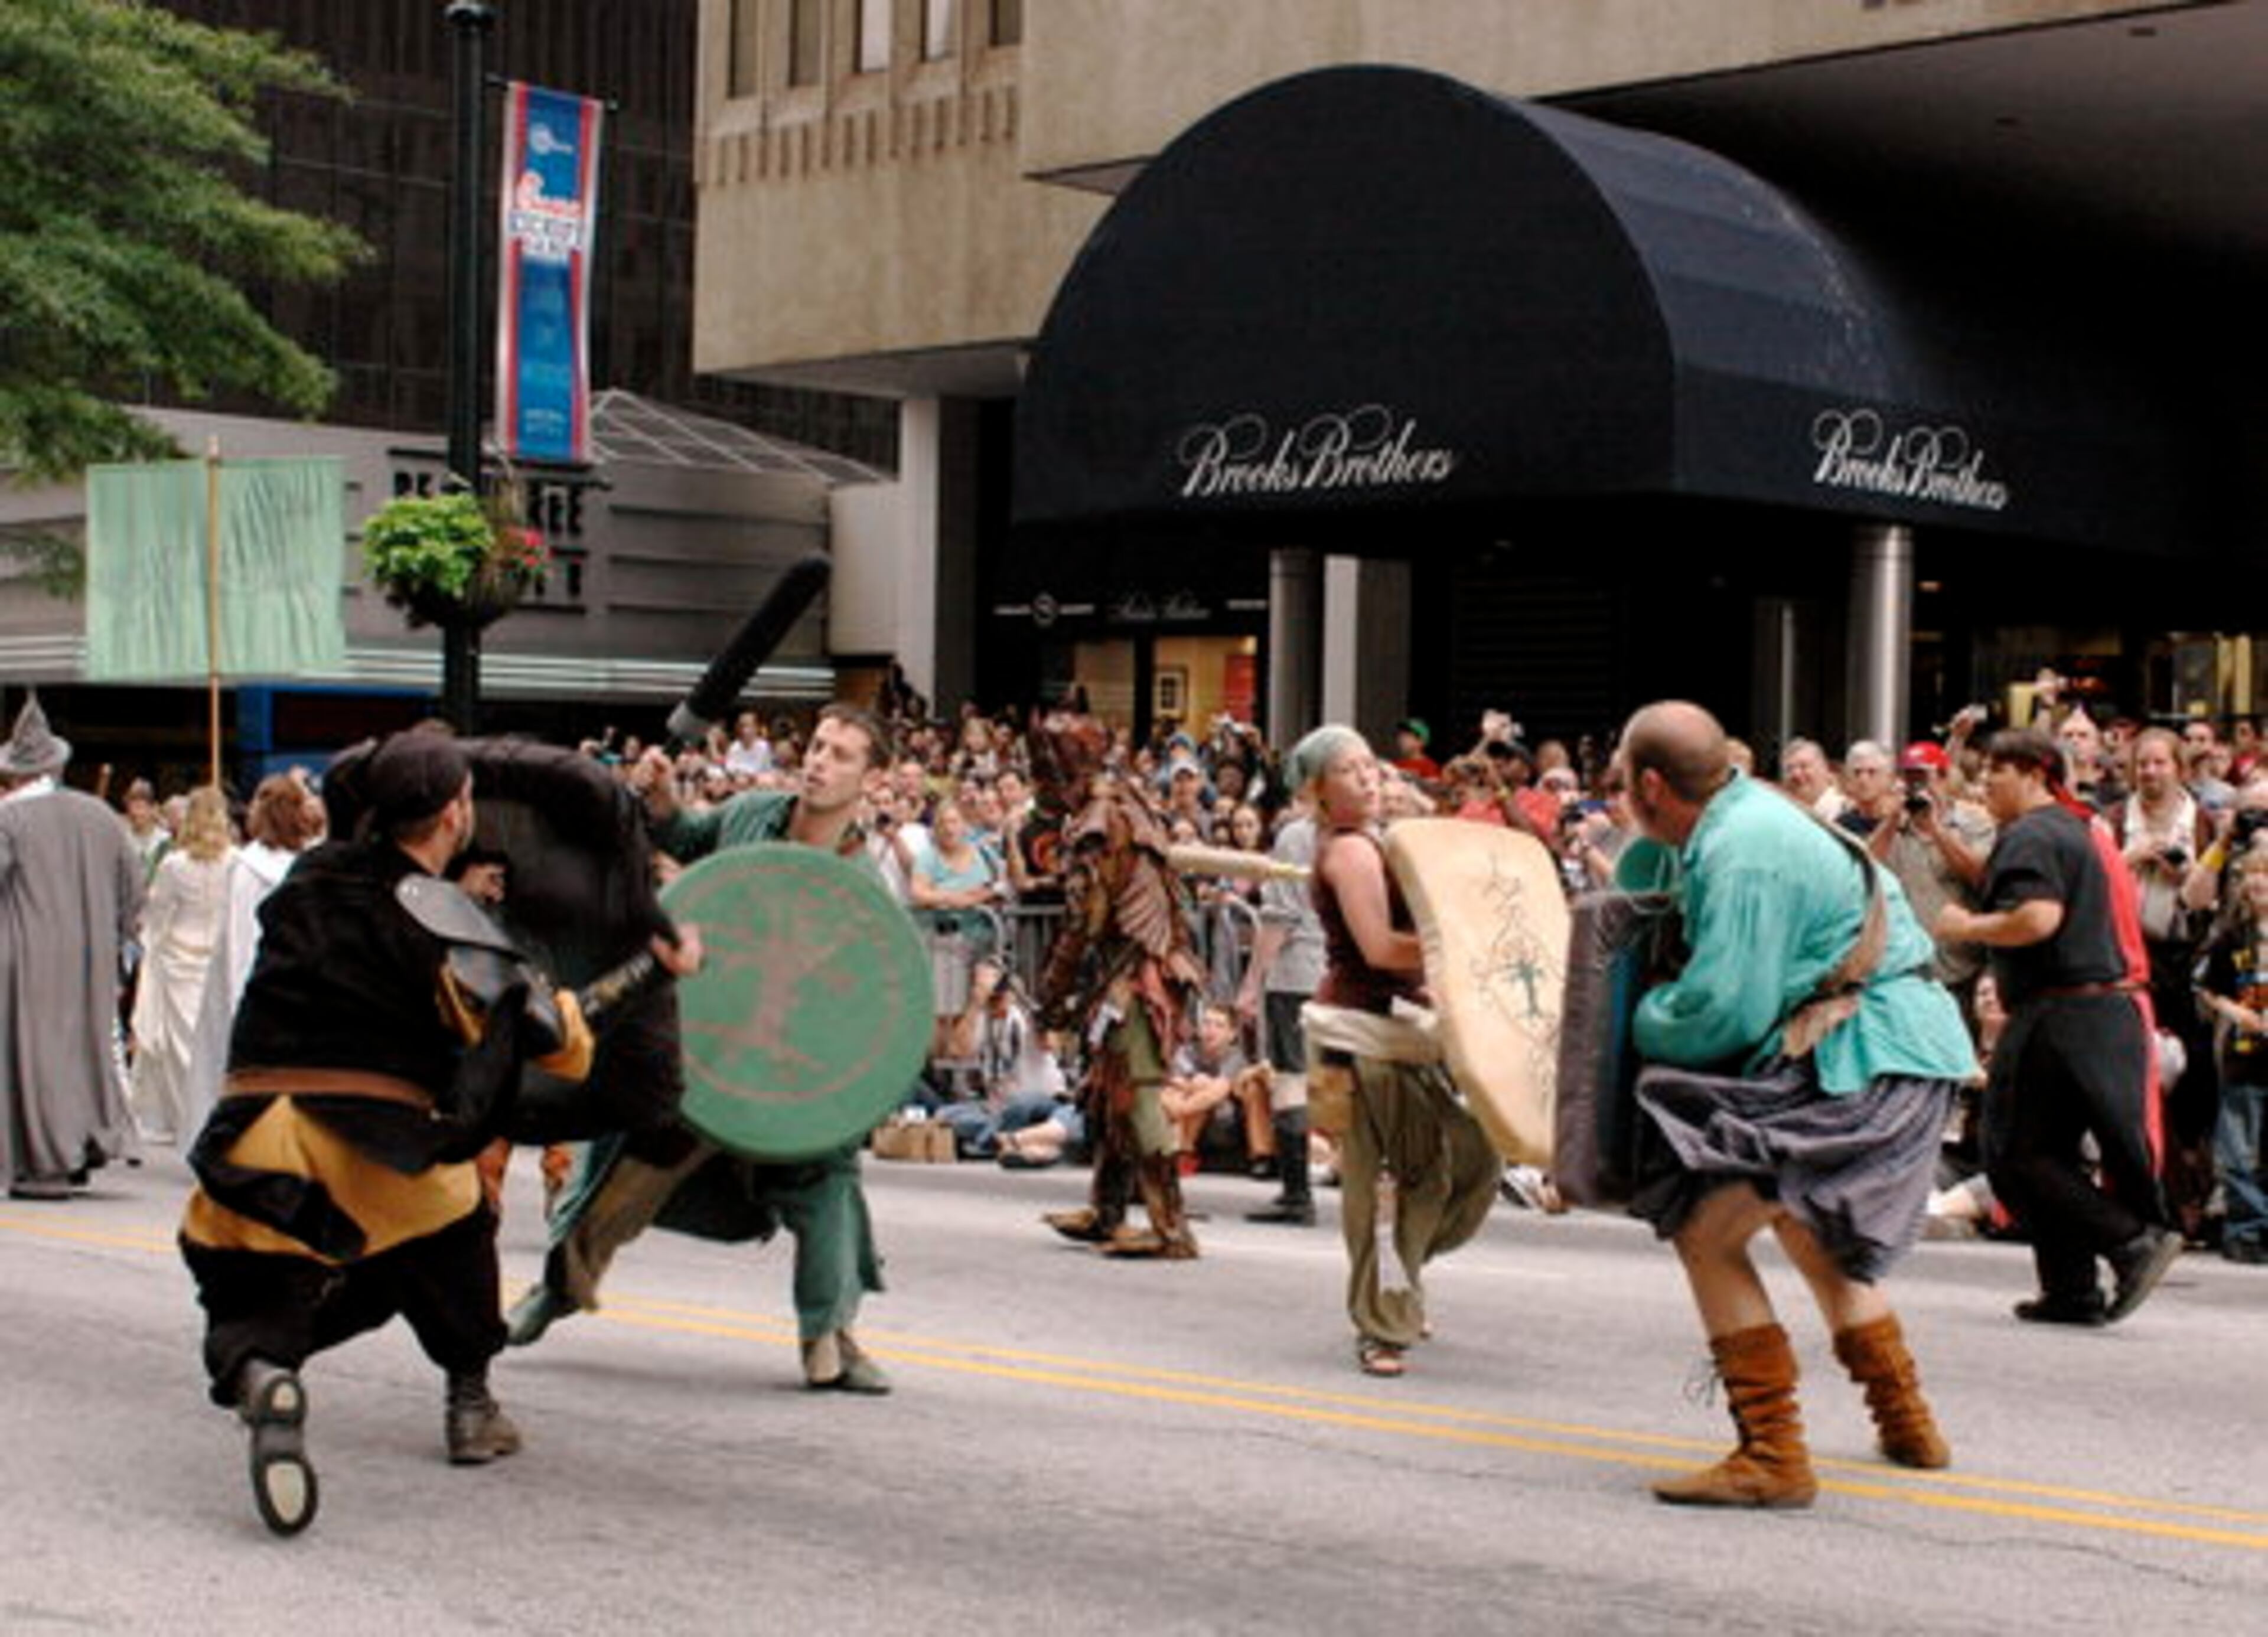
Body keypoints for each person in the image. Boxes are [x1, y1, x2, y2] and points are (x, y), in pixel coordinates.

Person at [177, 729, 699, 1535]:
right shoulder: (449, 924)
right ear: (458, 814)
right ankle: (471, 1404)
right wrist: (655, 969)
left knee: (245, 1284)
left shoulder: (310, 879)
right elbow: (554, 1039)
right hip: (382, 1145)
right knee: (448, 1244)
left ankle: (262, 1370)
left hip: (258, 1132)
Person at [1615, 701, 1974, 1509]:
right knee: (1809, 1227)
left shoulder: (1744, 851)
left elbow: (1721, 1013)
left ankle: (1772, 1455)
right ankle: (1908, 1423)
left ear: (1649, 784)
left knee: (1706, 1230)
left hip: (1865, 1053)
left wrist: (1637, 1020)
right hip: (1891, 1046)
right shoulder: (1755, 812)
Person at [507, 704, 904, 1395]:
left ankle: (830, 1335)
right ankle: (559, 1290)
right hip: (701, 1048)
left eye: (842, 755)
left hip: (785, 1069)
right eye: (817, 745)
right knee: (621, 1180)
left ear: (871, 778)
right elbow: (685, 835)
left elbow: (866, 1007)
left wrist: (843, 1095)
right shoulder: (752, 815)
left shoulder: (863, 890)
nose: (819, 762)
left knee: (828, 1182)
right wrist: (661, 800)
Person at [1935, 726, 2182, 1328]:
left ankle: (2129, 1242)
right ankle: (2072, 1291)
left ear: (2034, 775)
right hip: (2098, 1011)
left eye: (1998, 769)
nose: (1986, 780)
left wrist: (1965, 927)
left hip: (2060, 1010)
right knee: (2048, 1154)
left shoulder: (2032, 833)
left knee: (2017, 1153)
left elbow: (2038, 918)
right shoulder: (2074, 829)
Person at [1293, 725, 1498, 1378]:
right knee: (1385, 1182)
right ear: (1318, 792)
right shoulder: (1350, 851)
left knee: (1467, 1160)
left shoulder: (1373, 843)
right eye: (1350, 772)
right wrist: (1464, 944)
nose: (1370, 779)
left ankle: (1398, 1283)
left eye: (1372, 768)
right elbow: (1381, 951)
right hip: (1358, 1040)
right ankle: (1382, 1323)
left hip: (1378, 1033)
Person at [1, 694, 144, 1199]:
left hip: (27, 954)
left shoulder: (8, 820)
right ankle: (85, 1143)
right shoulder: (101, 816)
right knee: (86, 1052)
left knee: (37, 1056)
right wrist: (121, 939)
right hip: (92, 957)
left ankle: (47, 1158)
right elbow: (133, 892)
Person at [1236, 790, 1324, 1226]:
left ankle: (1296, 1192)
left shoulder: (1298, 836)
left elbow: (1280, 919)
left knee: (1292, 1080)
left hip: (1299, 974)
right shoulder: (1367, 837)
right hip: (1346, 973)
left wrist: (1251, 983)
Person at [127, 785, 233, 1144]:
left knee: (179, 1043)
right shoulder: (234, 862)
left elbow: (156, 912)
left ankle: (188, 1115)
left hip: (179, 956)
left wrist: (151, 943)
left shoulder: (175, 864)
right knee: (213, 1037)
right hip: (216, 955)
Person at [2195, 850, 2268, 1265]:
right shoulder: (2234, 937)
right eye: (2251, 874)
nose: (2258, 882)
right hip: (2244, 1059)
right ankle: (2245, 1229)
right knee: (2240, 1151)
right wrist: (2233, 1010)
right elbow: (2205, 985)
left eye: (2266, 874)